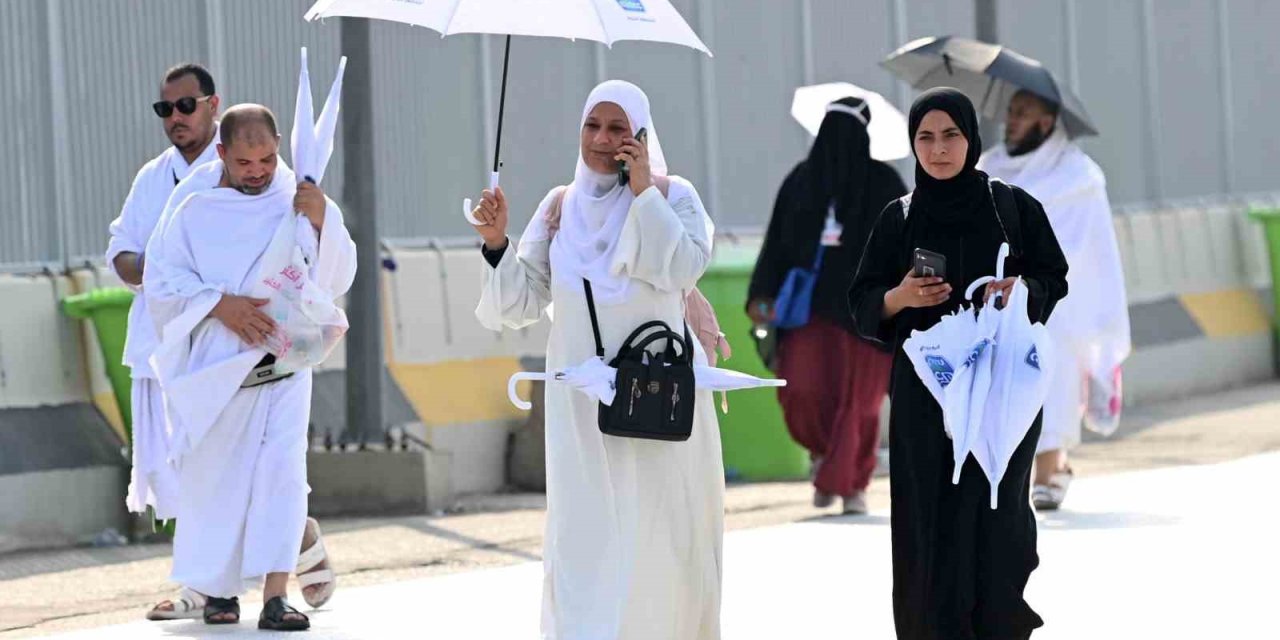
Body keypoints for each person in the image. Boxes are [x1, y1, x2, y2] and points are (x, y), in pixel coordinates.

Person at [471, 80, 723, 639]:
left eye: (617, 129)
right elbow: (518, 303)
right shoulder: (561, 207)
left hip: (660, 402)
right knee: (585, 538)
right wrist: (495, 244)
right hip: (583, 409)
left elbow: (679, 269)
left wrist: (643, 194)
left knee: (664, 538)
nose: (603, 140)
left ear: (640, 136)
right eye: (592, 127)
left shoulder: (675, 195)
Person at [848, 88, 1068, 639]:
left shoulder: (1010, 206)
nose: (938, 149)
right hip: (926, 396)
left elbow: (1054, 277)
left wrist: (1020, 288)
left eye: (951, 136)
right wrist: (901, 297)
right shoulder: (899, 217)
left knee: (999, 518)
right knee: (930, 519)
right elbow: (862, 301)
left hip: (1001, 389)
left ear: (971, 140)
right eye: (926, 137)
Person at [145, 104, 356, 630]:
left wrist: (322, 217)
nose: (257, 170)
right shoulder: (191, 206)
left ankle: (277, 596)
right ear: (222, 153)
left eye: (266, 158)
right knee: (217, 481)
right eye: (245, 162)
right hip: (219, 371)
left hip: (285, 366)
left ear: (279, 146)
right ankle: (218, 593)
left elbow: (334, 275)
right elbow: (162, 280)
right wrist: (221, 305)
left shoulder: (296, 198)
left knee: (282, 478)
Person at [747, 97, 907, 514]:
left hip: (868, 313)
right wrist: (760, 296)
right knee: (801, 391)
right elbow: (776, 242)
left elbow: (904, 245)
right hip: (809, 312)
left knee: (861, 403)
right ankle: (824, 459)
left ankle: (852, 484)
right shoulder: (801, 181)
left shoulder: (885, 184)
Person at [979, 89, 1131, 511]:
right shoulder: (989, 167)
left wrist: (1038, 276)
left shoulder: (1079, 176)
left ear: (1047, 123)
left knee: (1054, 375)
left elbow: (1090, 249)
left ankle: (1050, 468)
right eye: (1010, 112)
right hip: (999, 298)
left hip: (1057, 301)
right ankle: (1017, 471)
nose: (1011, 121)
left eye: (1022, 114)